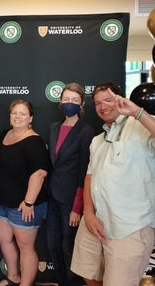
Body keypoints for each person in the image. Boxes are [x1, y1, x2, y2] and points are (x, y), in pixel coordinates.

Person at [70, 82, 155, 286]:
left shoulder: (141, 124)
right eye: (97, 103)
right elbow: (90, 176)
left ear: (121, 100)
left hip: (130, 226)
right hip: (95, 221)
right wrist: (88, 212)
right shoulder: (97, 140)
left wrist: (138, 113)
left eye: (108, 100)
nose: (102, 106)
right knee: (88, 273)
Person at [0, 99, 50, 286]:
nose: (17, 117)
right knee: (3, 237)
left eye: (23, 113)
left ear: (30, 118)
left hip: (25, 205)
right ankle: (13, 277)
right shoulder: (3, 135)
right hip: (2, 201)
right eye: (14, 113)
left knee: (25, 247)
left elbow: (39, 174)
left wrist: (29, 202)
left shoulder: (34, 142)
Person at [46, 83, 95, 286]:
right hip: (52, 198)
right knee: (53, 246)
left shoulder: (86, 132)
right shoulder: (54, 127)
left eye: (74, 100)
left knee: (69, 248)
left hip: (71, 201)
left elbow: (85, 172)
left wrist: (77, 208)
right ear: (60, 101)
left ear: (82, 103)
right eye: (66, 99)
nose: (69, 103)